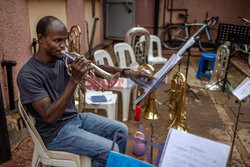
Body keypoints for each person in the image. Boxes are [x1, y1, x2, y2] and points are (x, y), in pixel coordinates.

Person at [17, 16, 154, 167]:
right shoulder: (28, 75)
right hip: (54, 133)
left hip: (73, 119)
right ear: (41, 39)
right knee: (110, 149)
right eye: (57, 40)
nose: (63, 46)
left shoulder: (61, 58)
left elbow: (95, 67)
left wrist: (126, 71)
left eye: (65, 40)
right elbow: (50, 117)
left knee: (121, 130)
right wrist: (74, 80)